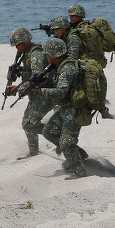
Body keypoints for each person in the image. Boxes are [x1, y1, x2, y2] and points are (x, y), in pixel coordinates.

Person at [41, 38, 89, 180]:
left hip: (74, 110)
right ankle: (79, 154)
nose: (46, 56)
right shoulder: (59, 65)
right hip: (65, 108)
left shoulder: (67, 68)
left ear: (54, 54)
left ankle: (80, 172)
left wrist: (41, 91)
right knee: (48, 132)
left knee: (66, 143)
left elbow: (61, 92)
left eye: (47, 54)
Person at [7, 28, 54, 159]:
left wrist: (19, 88)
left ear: (26, 41)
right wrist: (21, 72)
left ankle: (56, 136)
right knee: (30, 123)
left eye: (18, 43)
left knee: (28, 123)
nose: (16, 46)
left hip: (44, 93)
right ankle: (55, 136)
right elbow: (31, 73)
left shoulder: (35, 54)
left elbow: (37, 77)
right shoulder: (27, 52)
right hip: (38, 93)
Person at [67, 4, 114, 119]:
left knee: (84, 85)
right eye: (71, 16)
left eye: (74, 16)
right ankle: (102, 109)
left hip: (84, 62)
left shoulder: (77, 31)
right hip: (97, 62)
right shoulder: (92, 27)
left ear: (80, 16)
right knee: (96, 85)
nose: (71, 18)